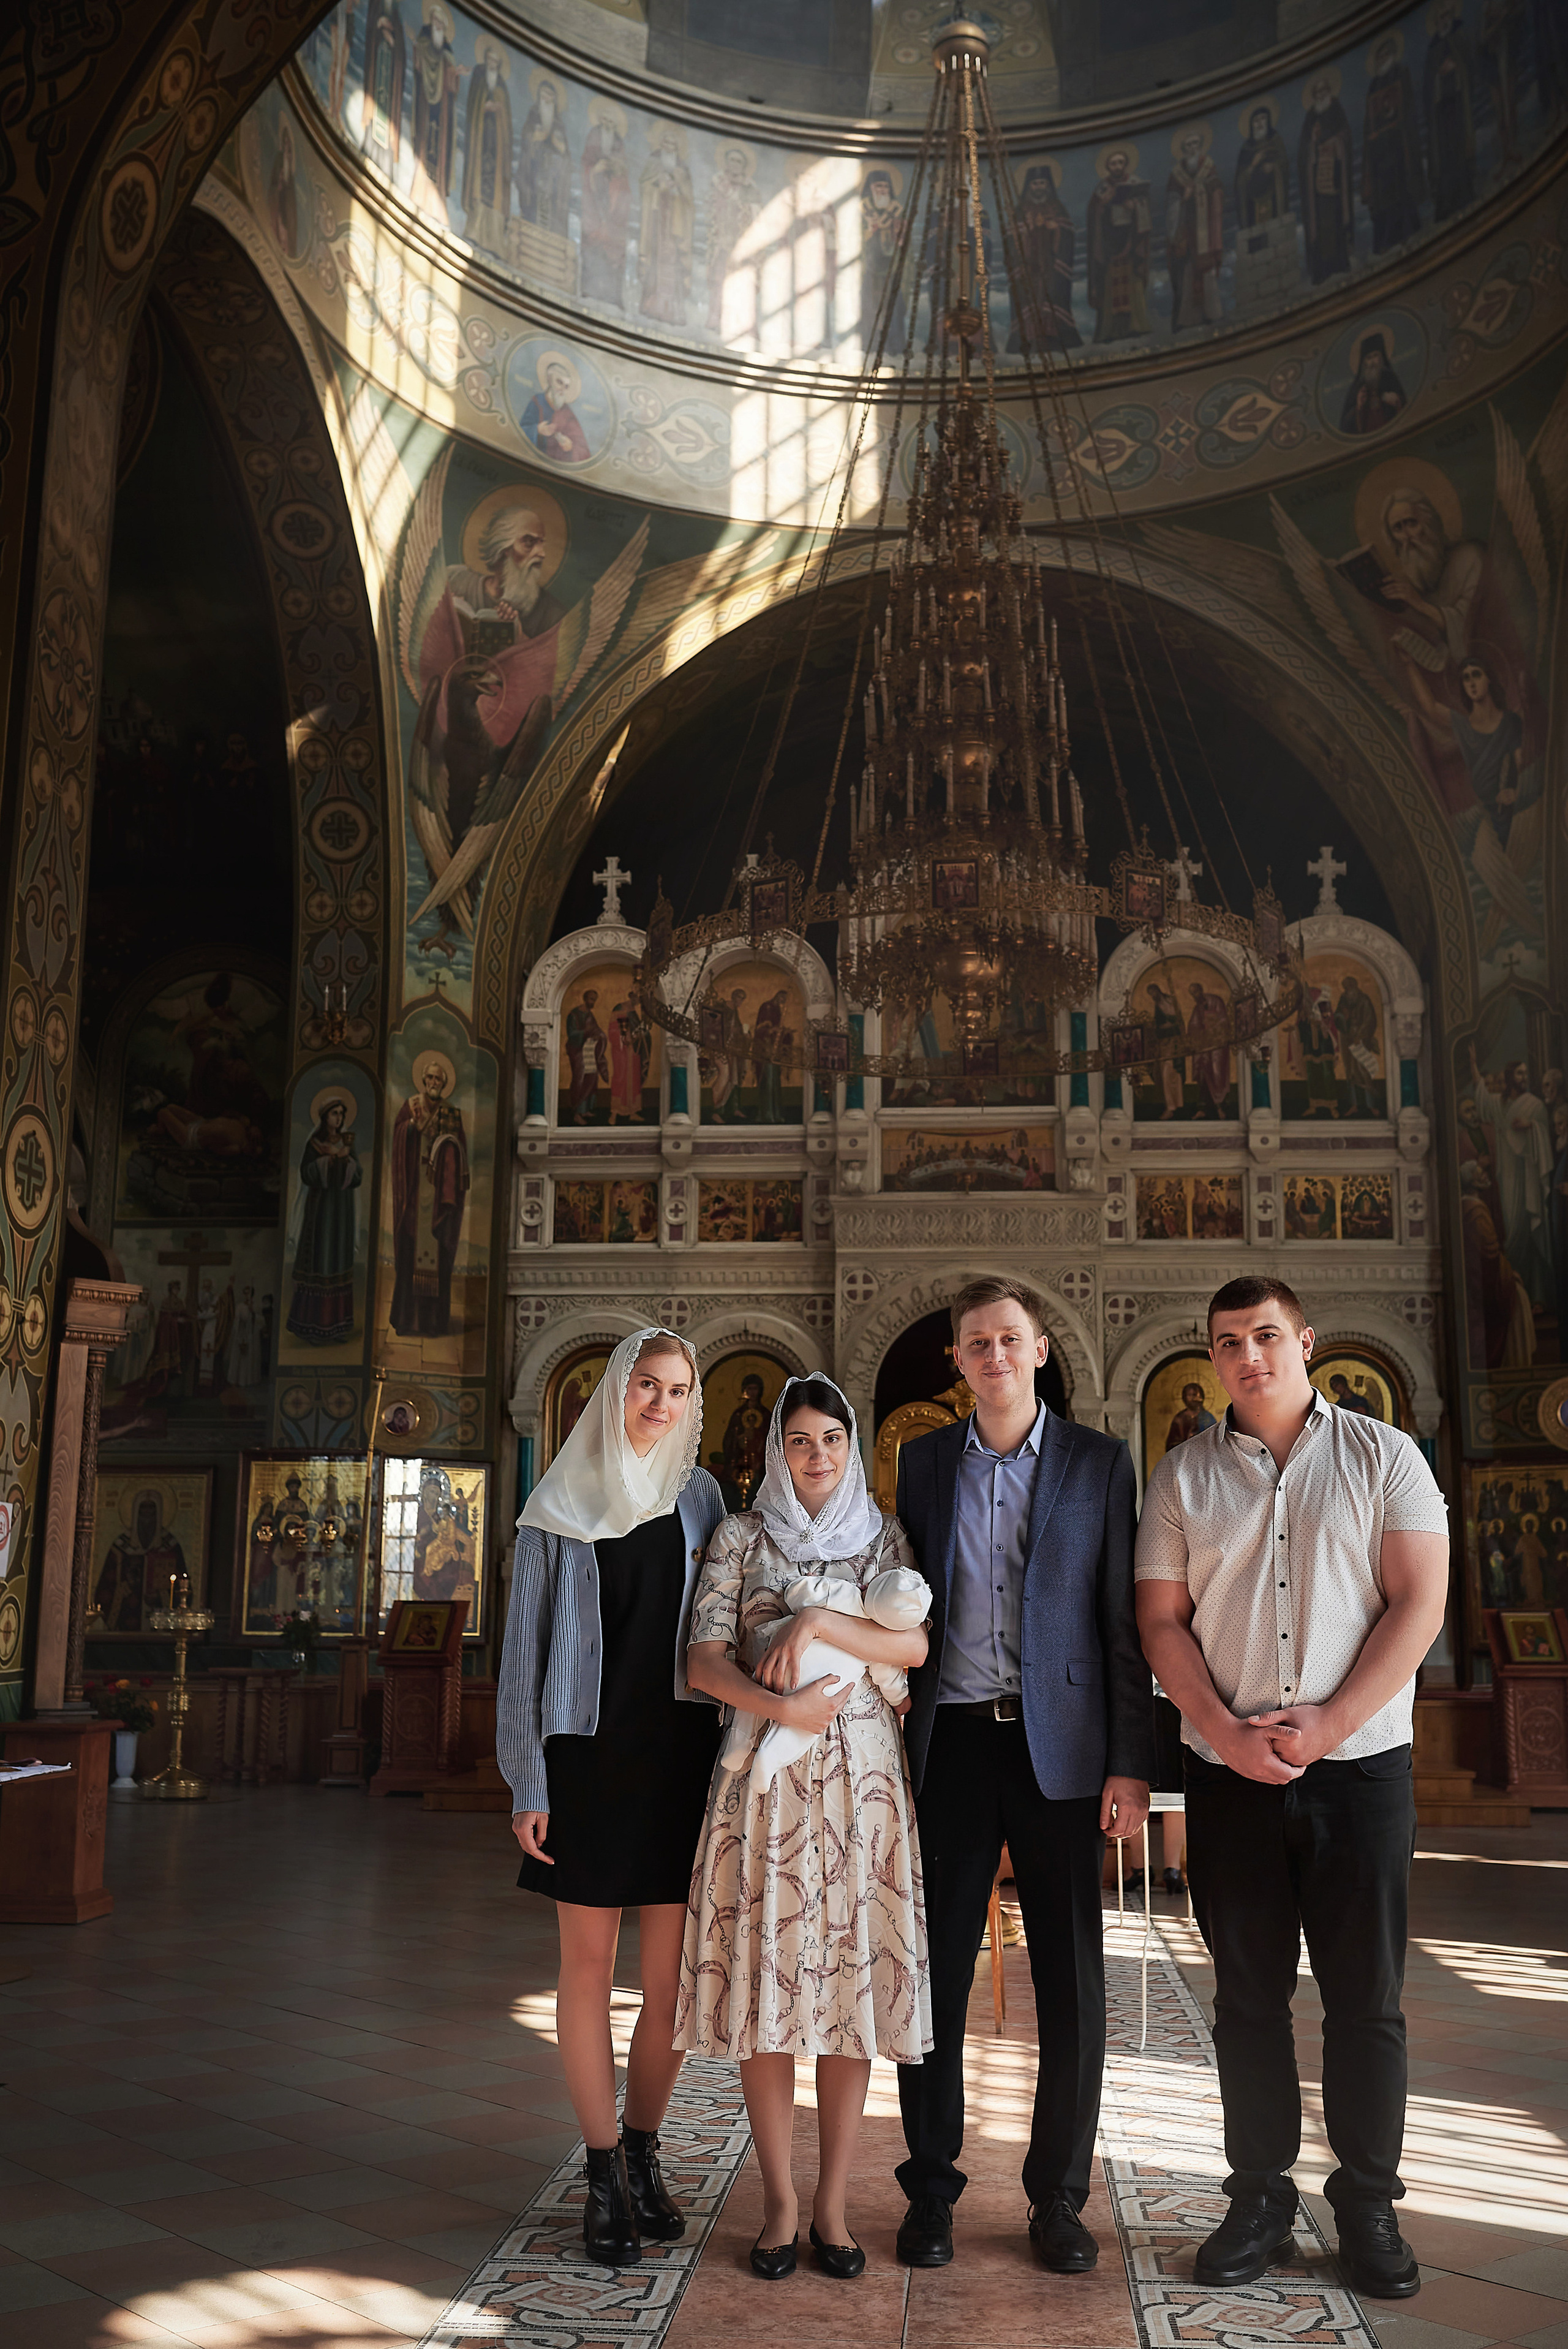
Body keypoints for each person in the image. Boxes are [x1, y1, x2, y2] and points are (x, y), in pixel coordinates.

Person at [1135, 1275, 1449, 2301]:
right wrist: (1225, 1731)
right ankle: (1260, 2199)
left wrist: (1332, 1721)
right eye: (1228, 1341)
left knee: (1366, 1998)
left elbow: (1420, 1602)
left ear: (1305, 1341)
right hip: (1231, 1777)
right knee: (1247, 1999)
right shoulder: (1181, 1474)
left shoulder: (1385, 1455)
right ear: (1213, 1357)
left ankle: (1368, 2205)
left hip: (1361, 1772)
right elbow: (1161, 1619)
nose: (1248, 1355)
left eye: (1266, 1335)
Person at [892, 1277, 1151, 2275]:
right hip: (951, 1745)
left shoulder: (1099, 1461)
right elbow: (901, 1598)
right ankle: (930, 2188)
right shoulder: (922, 1464)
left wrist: (1128, 1761)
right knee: (936, 1973)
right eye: (976, 1342)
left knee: (1070, 1980)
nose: (993, 1354)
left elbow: (1121, 1623)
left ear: (1040, 1349)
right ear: (957, 1359)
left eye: (1009, 1337)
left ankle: (1059, 2195)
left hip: (1065, 1750)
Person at [678, 1377, 932, 2279]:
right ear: (775, 1451)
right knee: (770, 1990)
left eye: (831, 1438)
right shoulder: (741, 1536)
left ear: (851, 1447)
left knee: (849, 1990)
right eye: (799, 1440)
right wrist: (780, 1704)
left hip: (865, 1787)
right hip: (766, 1784)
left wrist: (821, 1620)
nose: (816, 1454)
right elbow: (702, 1660)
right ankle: (780, 2200)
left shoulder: (883, 1536)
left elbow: (913, 1647)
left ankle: (833, 2204)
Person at [497, 1329, 726, 2268]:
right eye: (646, 1385)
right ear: (614, 1389)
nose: (661, 1404)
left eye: (677, 1390)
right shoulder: (557, 1502)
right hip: (585, 1757)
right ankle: (599, 2175)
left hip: (680, 1759)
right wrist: (528, 1778)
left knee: (669, 1983)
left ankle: (641, 2151)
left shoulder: (701, 1497)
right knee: (587, 1969)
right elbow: (523, 1652)